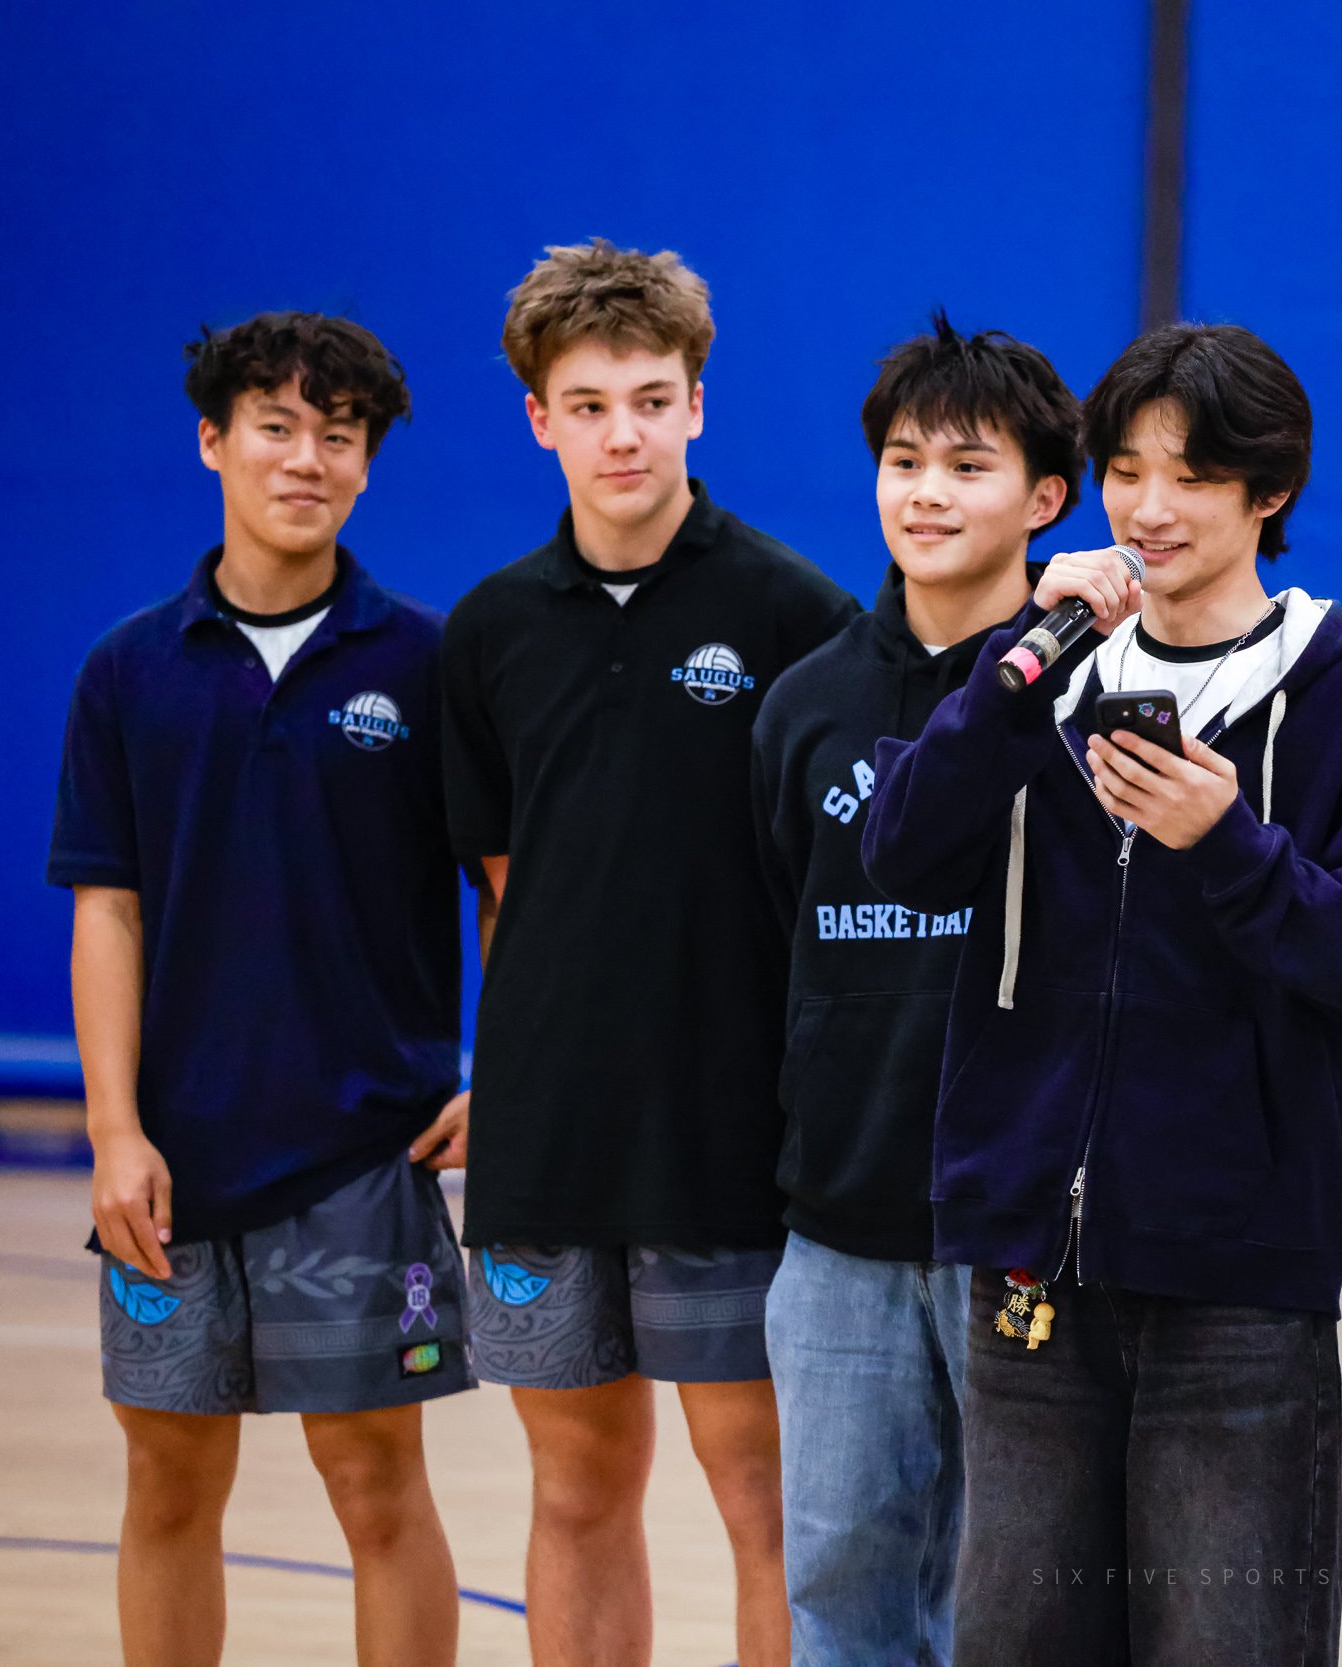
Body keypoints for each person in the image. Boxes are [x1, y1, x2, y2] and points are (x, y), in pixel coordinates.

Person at [860, 320, 1342, 1667]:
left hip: (1239, 1281)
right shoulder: (1044, 671)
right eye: (1126, 471)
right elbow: (900, 847)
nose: (1150, 507)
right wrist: (1018, 665)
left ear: (1269, 492)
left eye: (1192, 476)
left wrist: (1229, 845)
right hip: (1030, 1262)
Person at [440, 239, 857, 1667]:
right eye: (589, 404)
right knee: (575, 1492)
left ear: (697, 406)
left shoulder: (795, 614)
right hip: (549, 1142)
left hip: (728, 1134)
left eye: (652, 400)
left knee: (765, 1503)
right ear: (539, 419)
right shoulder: (490, 630)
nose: (623, 433)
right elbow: (509, 889)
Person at [49, 312, 469, 1667]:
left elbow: (512, 888)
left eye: (337, 437)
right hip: (173, 1166)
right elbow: (108, 912)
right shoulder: (128, 671)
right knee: (168, 1485)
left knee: (377, 1488)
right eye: (276, 428)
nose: (306, 460)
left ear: (367, 465)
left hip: (364, 1156)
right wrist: (114, 1131)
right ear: (213, 442)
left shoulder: (427, 664)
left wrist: (506, 1071)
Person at [750, 309, 1085, 1664]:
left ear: (1046, 499)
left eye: (968, 465)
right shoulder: (808, 702)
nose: (927, 493)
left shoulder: (1096, 693)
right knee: (842, 1590)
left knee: (1029, 1599)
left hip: (1025, 1230)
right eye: (904, 462)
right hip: (841, 1227)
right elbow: (781, 943)